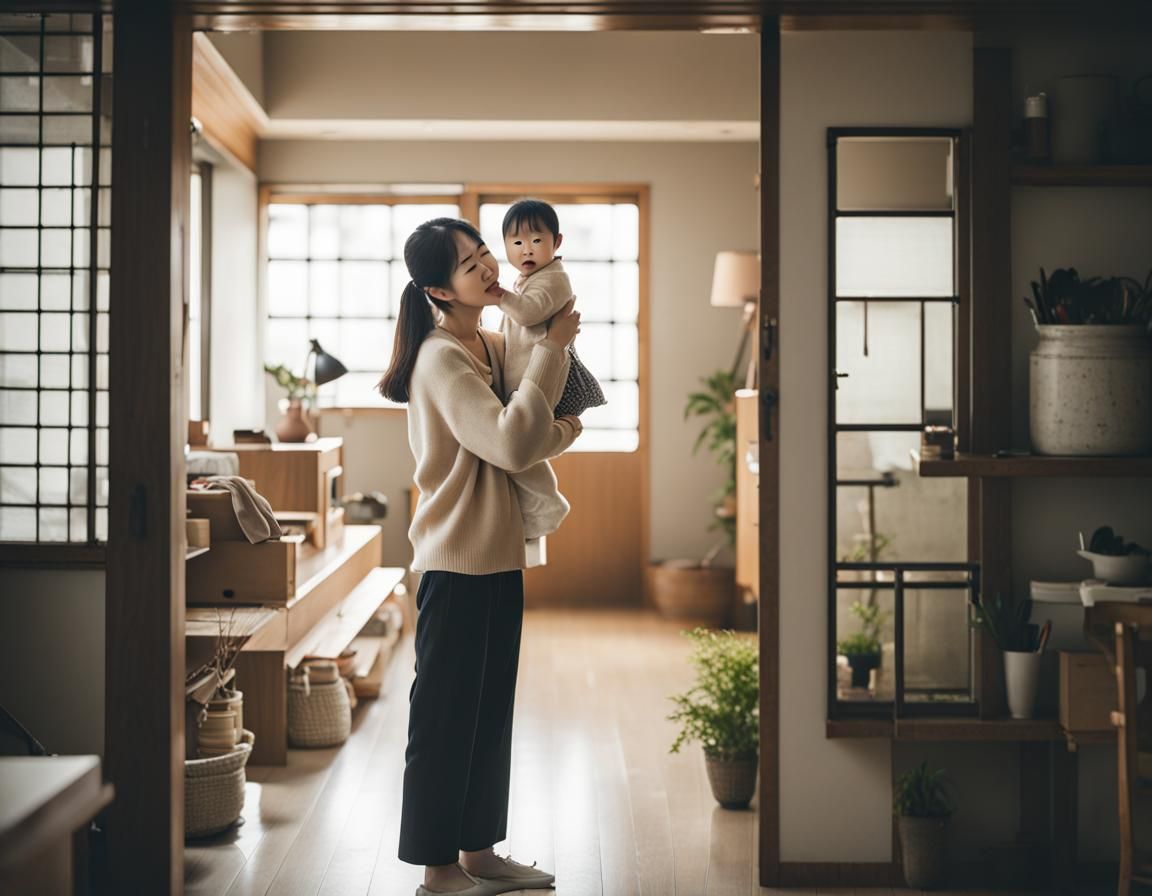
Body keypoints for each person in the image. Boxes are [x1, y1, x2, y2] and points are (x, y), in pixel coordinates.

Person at [378, 217, 582, 896]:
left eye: (485, 253)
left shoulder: (490, 343)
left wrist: (553, 416)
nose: (490, 268)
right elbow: (515, 442)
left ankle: (479, 852)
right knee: (444, 720)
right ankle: (439, 870)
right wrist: (554, 360)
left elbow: (530, 429)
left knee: (489, 714)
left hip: (498, 556)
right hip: (454, 561)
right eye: (470, 265)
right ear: (438, 288)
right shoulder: (441, 358)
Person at [497, 198, 607, 540]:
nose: (526, 249)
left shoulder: (555, 279)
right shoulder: (526, 280)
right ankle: (539, 505)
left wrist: (496, 295)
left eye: (536, 241)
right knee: (521, 450)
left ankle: (545, 506)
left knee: (523, 447)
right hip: (524, 376)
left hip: (540, 376)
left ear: (556, 243)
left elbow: (528, 314)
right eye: (516, 243)